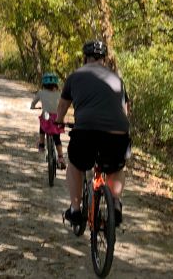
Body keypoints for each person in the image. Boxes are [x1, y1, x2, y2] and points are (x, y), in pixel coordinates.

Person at [55, 40, 131, 227]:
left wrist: (58, 122)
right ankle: (114, 202)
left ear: (85, 58)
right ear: (104, 59)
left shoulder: (75, 76)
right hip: (118, 132)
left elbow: (63, 105)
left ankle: (75, 209)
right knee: (117, 167)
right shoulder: (116, 79)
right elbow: (125, 109)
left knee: (75, 165)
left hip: (86, 131)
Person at [31, 72, 66, 170]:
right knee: (57, 138)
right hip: (57, 117)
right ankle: (60, 158)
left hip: (46, 116)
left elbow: (33, 103)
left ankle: (41, 145)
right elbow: (63, 104)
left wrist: (33, 107)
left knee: (42, 126)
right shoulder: (59, 94)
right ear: (56, 85)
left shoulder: (41, 92)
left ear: (43, 84)